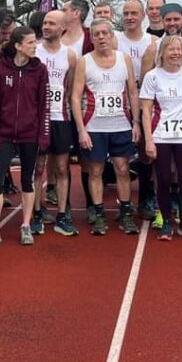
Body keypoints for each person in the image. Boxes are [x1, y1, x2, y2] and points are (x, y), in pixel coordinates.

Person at [0, 26, 49, 247]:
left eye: (35, 42)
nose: (35, 46)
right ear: (17, 46)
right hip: (4, 134)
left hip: (30, 134)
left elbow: (44, 105)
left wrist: (43, 136)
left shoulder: (39, 70)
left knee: (27, 180)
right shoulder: (0, 69)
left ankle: (26, 225)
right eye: (31, 42)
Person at [71, 18, 140, 235]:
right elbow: (75, 97)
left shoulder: (124, 59)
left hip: (121, 125)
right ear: (91, 38)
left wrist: (136, 122)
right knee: (96, 170)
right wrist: (81, 129)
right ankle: (99, 214)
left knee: (122, 168)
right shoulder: (84, 61)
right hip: (94, 126)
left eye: (104, 33)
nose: (101, 37)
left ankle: (126, 213)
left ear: (111, 36)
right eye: (96, 34)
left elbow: (132, 92)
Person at [141, 36, 182, 240]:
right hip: (160, 135)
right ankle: (166, 221)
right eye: (171, 50)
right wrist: (149, 139)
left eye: (178, 50)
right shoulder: (152, 76)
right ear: (162, 53)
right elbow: (146, 110)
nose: (176, 53)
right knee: (164, 179)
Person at [33, 11, 77, 236]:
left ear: (63, 28)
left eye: (52, 23)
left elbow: (69, 90)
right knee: (38, 168)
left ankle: (62, 214)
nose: (46, 26)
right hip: (37, 120)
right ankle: (37, 212)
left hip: (60, 118)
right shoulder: (34, 52)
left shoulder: (69, 55)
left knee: (61, 167)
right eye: (45, 23)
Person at [115, 0, 155, 218]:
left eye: (134, 13)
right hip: (120, 100)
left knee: (144, 150)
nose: (129, 17)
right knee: (120, 153)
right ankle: (122, 202)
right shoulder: (115, 40)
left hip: (145, 100)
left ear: (143, 16)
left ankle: (146, 197)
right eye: (126, 13)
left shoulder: (153, 41)